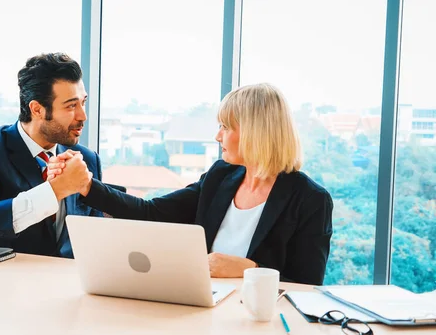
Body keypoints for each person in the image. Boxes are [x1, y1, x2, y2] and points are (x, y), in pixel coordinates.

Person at [48, 83, 333, 285]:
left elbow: (308, 286)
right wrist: (87, 185)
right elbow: (152, 212)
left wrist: (252, 269)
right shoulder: (221, 176)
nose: (218, 136)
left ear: (255, 133)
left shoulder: (310, 200)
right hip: (206, 305)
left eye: (226, 127)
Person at [0, 53, 101, 258]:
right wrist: (55, 190)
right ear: (37, 109)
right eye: (71, 106)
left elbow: (94, 239)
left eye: (83, 103)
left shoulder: (87, 160)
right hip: (7, 285)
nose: (82, 116)